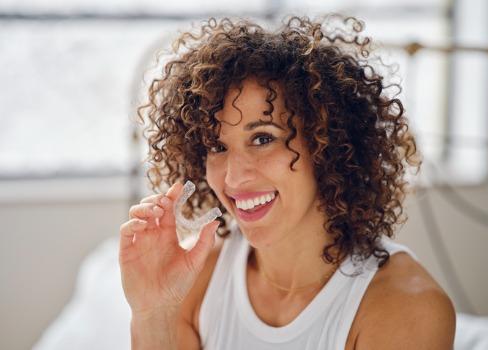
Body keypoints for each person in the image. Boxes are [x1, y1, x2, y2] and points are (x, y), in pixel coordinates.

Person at [119, 14, 456, 349]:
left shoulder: (405, 307)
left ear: (329, 145)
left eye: (263, 139)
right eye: (217, 146)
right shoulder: (196, 278)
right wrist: (154, 314)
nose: (233, 178)